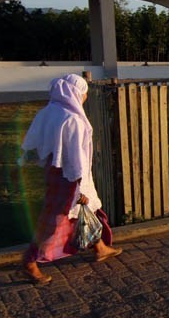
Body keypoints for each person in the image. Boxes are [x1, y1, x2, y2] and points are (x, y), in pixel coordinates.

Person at [19, 74, 121, 285]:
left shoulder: (47, 112)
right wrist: (80, 187)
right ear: (76, 93)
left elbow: (34, 140)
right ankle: (29, 262)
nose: (85, 98)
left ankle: (100, 247)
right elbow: (76, 157)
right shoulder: (72, 119)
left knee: (88, 212)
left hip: (54, 171)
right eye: (83, 94)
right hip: (71, 176)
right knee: (56, 219)